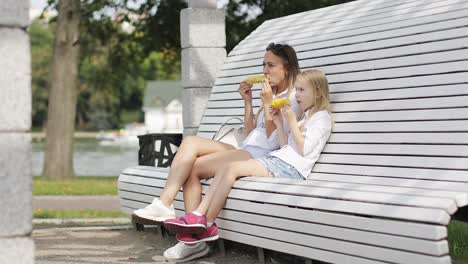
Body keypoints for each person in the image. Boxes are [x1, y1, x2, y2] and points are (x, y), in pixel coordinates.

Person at [132, 43, 301, 262]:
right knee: (191, 142)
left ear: (287, 68)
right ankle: (166, 205)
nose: (265, 71)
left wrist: (268, 103)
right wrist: (248, 102)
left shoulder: (292, 97)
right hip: (247, 148)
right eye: (263, 65)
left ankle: (191, 239)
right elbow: (251, 132)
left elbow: (271, 139)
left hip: (264, 157)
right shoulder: (272, 92)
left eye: (271, 65)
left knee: (192, 169)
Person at [164, 69, 333, 247]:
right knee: (227, 167)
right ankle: (200, 219)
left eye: (301, 90)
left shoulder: (322, 118)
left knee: (231, 168)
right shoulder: (305, 117)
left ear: (318, 92)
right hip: (280, 161)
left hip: (291, 169)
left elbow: (305, 150)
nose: (296, 95)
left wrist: (291, 121)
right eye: (296, 89)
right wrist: (278, 123)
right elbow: (286, 147)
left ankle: (205, 221)